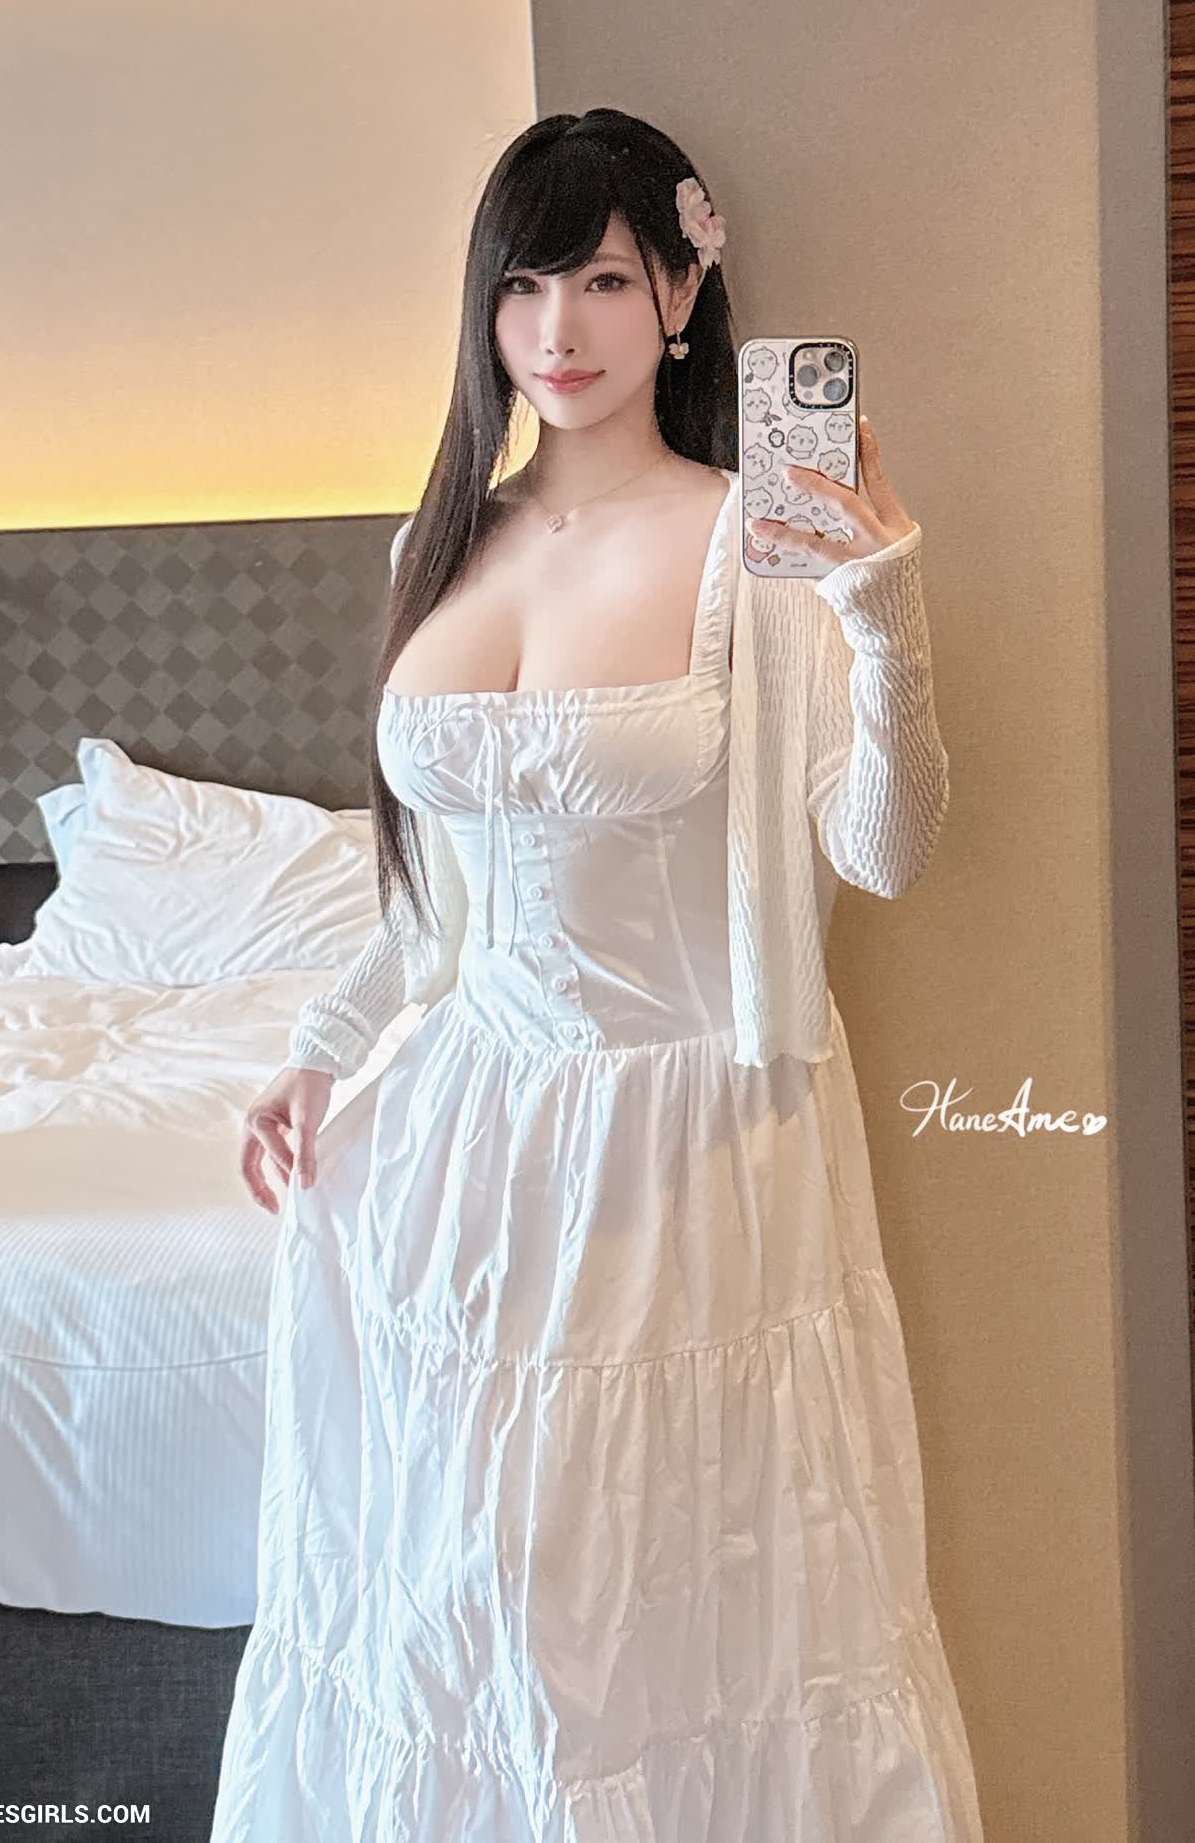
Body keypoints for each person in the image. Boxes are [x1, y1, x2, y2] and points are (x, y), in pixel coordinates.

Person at [211, 107, 985, 1842]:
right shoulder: (438, 545)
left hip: (682, 1140)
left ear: (684, 296)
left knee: (635, 1604)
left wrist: (880, 609)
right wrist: (322, 1045)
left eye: (605, 282)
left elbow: (885, 850)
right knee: (458, 1593)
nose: (556, 330)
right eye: (521, 286)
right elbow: (438, 903)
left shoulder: (750, 546)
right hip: (461, 1138)